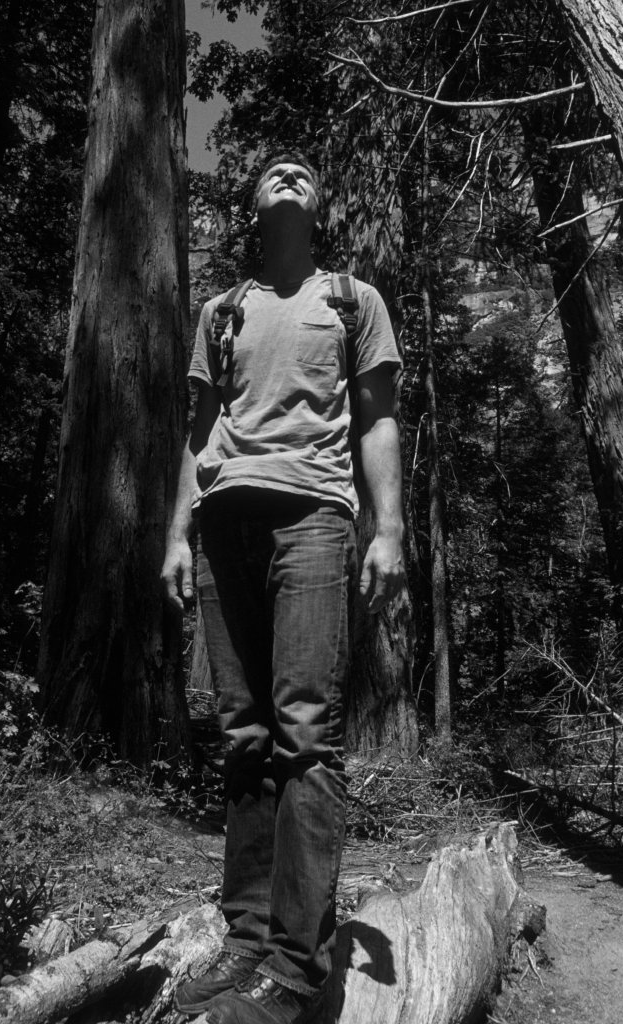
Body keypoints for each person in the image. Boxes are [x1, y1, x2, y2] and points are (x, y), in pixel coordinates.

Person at [161, 152, 405, 1024]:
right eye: (274, 171)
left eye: (304, 172)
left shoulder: (351, 300)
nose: (291, 175)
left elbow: (377, 416)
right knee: (244, 736)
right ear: (255, 204)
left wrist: (389, 529)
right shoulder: (222, 310)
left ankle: (296, 970)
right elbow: (199, 432)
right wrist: (176, 536)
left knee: (305, 732)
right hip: (224, 525)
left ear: (319, 205)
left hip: (312, 519)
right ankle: (247, 939)